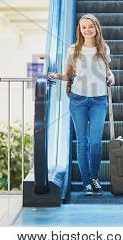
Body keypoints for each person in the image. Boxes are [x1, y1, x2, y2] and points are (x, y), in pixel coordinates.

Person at [48, 14, 115, 196]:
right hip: (78, 99)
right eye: (83, 27)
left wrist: (111, 77)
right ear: (80, 29)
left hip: (99, 100)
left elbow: (108, 72)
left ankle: (94, 178)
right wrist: (57, 76)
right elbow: (68, 75)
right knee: (82, 142)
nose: (87, 30)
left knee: (95, 142)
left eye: (90, 26)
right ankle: (86, 182)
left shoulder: (104, 48)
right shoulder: (73, 49)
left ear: (96, 28)